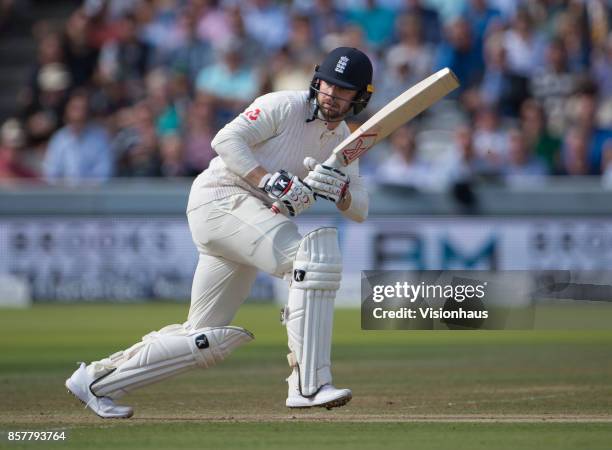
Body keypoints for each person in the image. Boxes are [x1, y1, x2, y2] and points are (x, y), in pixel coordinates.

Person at [65, 47, 372, 418]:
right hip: (220, 199)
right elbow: (225, 140)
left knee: (203, 337)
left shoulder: (344, 140)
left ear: (358, 97)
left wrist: (339, 191)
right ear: (316, 80)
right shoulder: (282, 105)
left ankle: (95, 381)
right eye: (328, 85)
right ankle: (308, 384)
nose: (332, 96)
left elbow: (360, 208)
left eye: (344, 91)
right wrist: (269, 180)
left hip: (245, 220)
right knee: (309, 259)